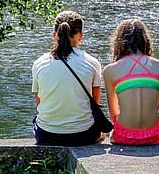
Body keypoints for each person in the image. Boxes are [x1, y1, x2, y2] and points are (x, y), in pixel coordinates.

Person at [32, 10, 108, 145]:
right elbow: (94, 104)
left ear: (55, 35)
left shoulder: (39, 63)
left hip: (46, 135)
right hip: (83, 135)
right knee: (101, 133)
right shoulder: (92, 63)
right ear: (80, 35)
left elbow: (39, 103)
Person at [103, 18, 159, 147]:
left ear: (119, 42)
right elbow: (155, 106)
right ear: (145, 40)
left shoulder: (110, 70)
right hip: (152, 135)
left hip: (123, 136)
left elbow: (113, 114)